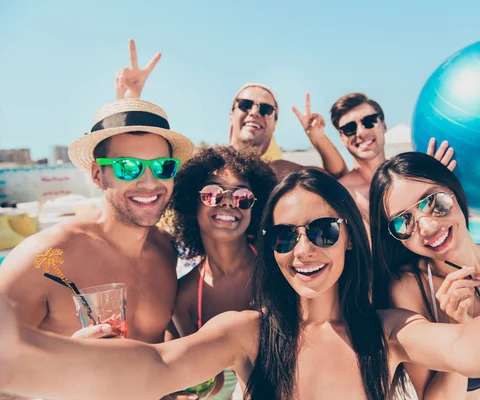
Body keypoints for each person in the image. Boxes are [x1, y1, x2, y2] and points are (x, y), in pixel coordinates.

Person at [2, 169, 480, 400]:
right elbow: (158, 368)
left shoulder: (387, 331)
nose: (304, 249)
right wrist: (33, 360)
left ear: (349, 235)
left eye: (321, 230)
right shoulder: (245, 334)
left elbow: (470, 350)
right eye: (285, 237)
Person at [0, 99, 193, 342]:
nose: (149, 182)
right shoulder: (41, 259)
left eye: (162, 167)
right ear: (96, 175)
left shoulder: (166, 250)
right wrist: (69, 358)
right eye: (127, 166)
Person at [369, 152, 480, 399]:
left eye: (433, 202)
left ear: (454, 191)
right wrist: (460, 331)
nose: (428, 227)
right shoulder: (408, 288)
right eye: (403, 221)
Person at [115, 39, 348, 179]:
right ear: (231, 114)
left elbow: (337, 177)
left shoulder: (278, 172)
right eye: (246, 105)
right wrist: (131, 97)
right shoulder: (204, 162)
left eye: (266, 109)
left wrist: (317, 138)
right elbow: (139, 159)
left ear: (275, 123)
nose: (254, 112)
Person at [168, 145, 276, 398]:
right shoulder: (184, 296)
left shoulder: (278, 268)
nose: (228, 202)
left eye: (242, 196)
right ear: (192, 203)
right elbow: (207, 381)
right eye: (212, 194)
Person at [296, 92, 456, 223]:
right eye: (350, 128)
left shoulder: (414, 177)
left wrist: (438, 184)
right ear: (342, 138)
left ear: (384, 125)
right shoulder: (342, 194)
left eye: (369, 122)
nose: (361, 132)